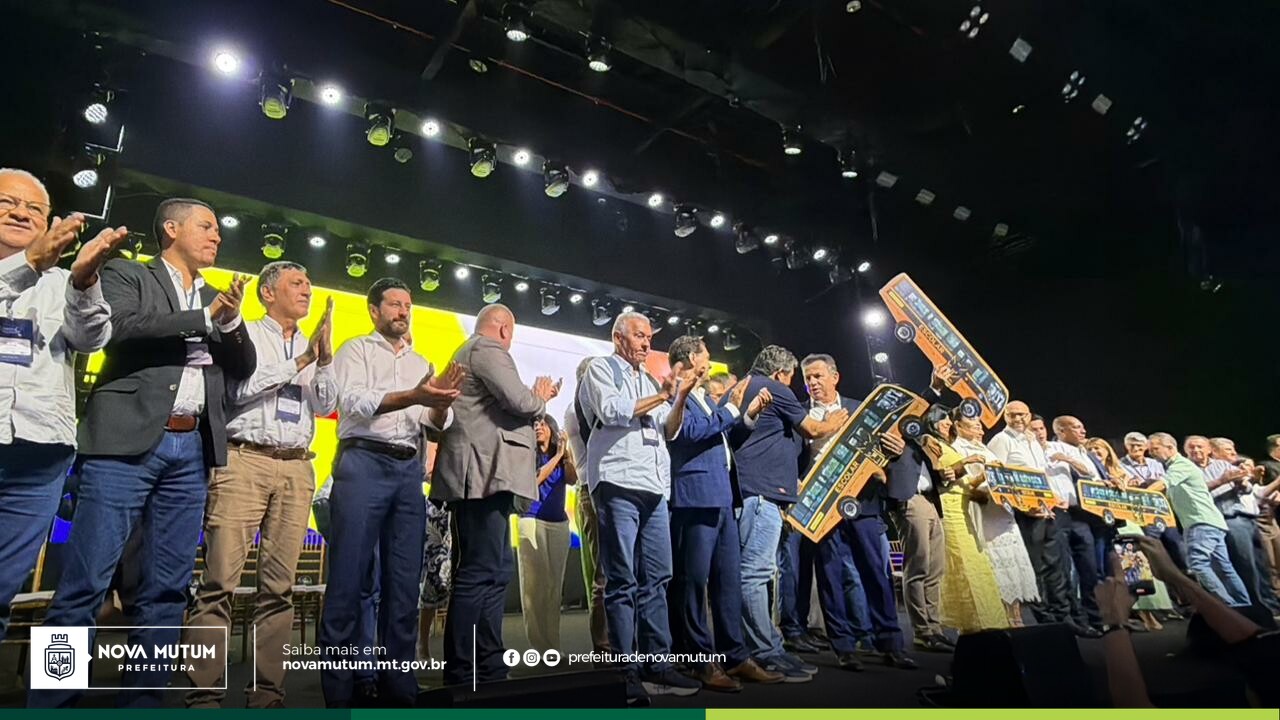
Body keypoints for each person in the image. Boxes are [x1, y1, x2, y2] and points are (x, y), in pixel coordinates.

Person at [30, 198, 256, 709]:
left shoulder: (216, 296)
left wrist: (228, 321)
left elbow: (243, 365)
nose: (216, 236)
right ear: (171, 229)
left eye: (217, 229)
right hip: (123, 445)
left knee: (167, 591)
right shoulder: (129, 274)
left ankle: (145, 703)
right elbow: (120, 327)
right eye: (206, 226)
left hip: (192, 451)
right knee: (84, 583)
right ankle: (49, 704)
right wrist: (203, 317)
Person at [184, 261, 337, 708]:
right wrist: (301, 361)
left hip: (296, 466)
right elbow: (238, 391)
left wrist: (324, 359)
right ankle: (203, 697)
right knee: (218, 583)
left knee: (279, 589)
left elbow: (326, 404)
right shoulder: (243, 332)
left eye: (309, 283)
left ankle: (267, 695)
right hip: (244, 460)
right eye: (297, 283)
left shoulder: (312, 344)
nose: (307, 290)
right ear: (268, 293)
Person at [320, 277, 464, 707]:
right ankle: (339, 693)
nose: (403, 311)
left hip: (407, 472)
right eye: (395, 304)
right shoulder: (355, 350)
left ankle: (399, 689)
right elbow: (354, 402)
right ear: (374, 310)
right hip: (363, 463)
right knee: (348, 583)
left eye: (408, 305)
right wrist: (415, 395)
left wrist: (439, 402)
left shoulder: (421, 362)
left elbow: (434, 423)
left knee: (403, 588)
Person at [0, 168, 125, 643]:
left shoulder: (61, 282)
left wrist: (85, 281)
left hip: (39, 456)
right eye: (8, 203)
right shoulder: (32, 267)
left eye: (34, 208)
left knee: (2, 590)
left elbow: (92, 339)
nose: (21, 213)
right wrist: (28, 263)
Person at [577, 311, 701, 703]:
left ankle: (657, 663)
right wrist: (664, 395)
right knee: (621, 580)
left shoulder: (649, 379)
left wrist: (679, 397)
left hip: (654, 487)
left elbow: (669, 430)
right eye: (639, 336)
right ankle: (624, 671)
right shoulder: (601, 368)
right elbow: (612, 411)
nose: (647, 343)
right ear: (618, 338)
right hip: (618, 480)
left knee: (659, 577)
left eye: (649, 337)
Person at [431, 303, 557, 686]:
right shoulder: (487, 349)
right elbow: (520, 402)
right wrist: (541, 396)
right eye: (512, 333)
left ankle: (488, 666)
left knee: (495, 571)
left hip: (489, 477)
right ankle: (462, 671)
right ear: (503, 329)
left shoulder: (473, 350)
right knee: (478, 572)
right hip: (482, 477)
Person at [727, 345, 854, 679]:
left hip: (748, 493)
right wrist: (836, 421)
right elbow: (813, 429)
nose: (794, 385)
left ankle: (768, 646)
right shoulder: (773, 387)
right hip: (763, 493)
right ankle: (765, 652)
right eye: (793, 377)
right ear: (781, 373)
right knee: (755, 574)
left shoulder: (738, 388)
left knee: (755, 572)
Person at [664, 335, 781, 690]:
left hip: (723, 498)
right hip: (695, 498)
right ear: (691, 357)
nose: (710, 360)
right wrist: (730, 408)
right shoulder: (676, 392)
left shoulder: (702, 395)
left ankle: (735, 655)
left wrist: (747, 414)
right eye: (706, 355)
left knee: (727, 582)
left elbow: (720, 436)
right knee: (693, 583)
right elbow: (688, 432)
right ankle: (698, 659)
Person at [785, 353, 878, 669]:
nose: (812, 383)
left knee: (871, 571)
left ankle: (883, 639)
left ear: (835, 377)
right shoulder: (799, 414)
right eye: (807, 378)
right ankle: (842, 645)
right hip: (818, 507)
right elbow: (793, 456)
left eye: (818, 376)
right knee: (827, 575)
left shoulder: (858, 408)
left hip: (861, 503)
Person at [883, 368, 959, 651]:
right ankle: (922, 631)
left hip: (930, 500)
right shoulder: (890, 429)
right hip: (910, 500)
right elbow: (918, 407)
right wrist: (934, 387)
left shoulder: (921, 437)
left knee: (935, 569)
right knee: (918, 566)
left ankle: (935, 627)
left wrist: (944, 474)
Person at [915, 405, 1007, 634]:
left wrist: (985, 475)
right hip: (948, 507)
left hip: (964, 506)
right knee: (962, 563)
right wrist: (967, 461)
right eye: (944, 420)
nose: (948, 424)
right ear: (933, 422)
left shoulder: (949, 445)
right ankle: (972, 622)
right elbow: (939, 473)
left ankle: (987, 620)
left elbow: (964, 484)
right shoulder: (929, 440)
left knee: (976, 564)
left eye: (949, 420)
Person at [988, 401, 1077, 631]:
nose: (1019, 419)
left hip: (1047, 510)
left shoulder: (1032, 441)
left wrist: (1054, 499)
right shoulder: (1001, 440)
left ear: (1029, 416)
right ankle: (1045, 619)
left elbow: (1042, 474)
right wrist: (1022, 507)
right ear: (1005, 416)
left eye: (1023, 414)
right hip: (1025, 513)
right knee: (1036, 568)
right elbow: (996, 477)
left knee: (1055, 567)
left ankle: (1062, 617)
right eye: (1013, 415)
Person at [952, 410, 1039, 627]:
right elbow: (962, 486)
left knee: (1013, 563)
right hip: (983, 513)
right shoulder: (957, 449)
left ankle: (1016, 617)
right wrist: (985, 481)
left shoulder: (985, 449)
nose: (979, 428)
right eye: (972, 424)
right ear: (958, 426)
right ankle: (1001, 619)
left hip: (1003, 512)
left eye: (979, 424)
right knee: (995, 564)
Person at [1144, 433, 1250, 606]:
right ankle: (1244, 606)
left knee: (1198, 564)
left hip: (1200, 523)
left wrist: (1139, 496)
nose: (1151, 453)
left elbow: (1163, 484)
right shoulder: (1178, 467)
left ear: (1170, 447)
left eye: (1155, 449)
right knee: (1224, 568)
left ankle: (1228, 606)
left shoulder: (1180, 465)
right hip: (1210, 522)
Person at [1085, 438, 1173, 631]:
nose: (1095, 452)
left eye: (1098, 448)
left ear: (1107, 450)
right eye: (1090, 449)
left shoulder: (1121, 471)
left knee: (1137, 569)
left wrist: (1129, 485)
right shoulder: (1090, 473)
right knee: (1115, 572)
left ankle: (1147, 612)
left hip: (1128, 523)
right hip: (1105, 524)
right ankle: (1124, 614)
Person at [517, 414, 575, 652]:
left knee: (553, 587)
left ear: (551, 428)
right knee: (534, 587)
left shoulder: (560, 455)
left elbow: (572, 479)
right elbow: (535, 479)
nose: (538, 427)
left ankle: (553, 644)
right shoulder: (528, 453)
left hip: (558, 523)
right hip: (531, 520)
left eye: (542, 424)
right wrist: (558, 456)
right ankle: (538, 645)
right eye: (534, 424)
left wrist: (566, 453)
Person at [564, 356, 609, 654]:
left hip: (593, 490)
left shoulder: (576, 406)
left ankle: (613, 641)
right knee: (602, 574)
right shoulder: (580, 408)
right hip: (593, 490)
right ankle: (603, 645)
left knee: (607, 572)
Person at [1045, 416, 1105, 632]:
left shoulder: (1084, 452)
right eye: (1076, 427)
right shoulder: (1050, 447)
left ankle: (1095, 618)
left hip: (1082, 514)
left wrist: (1109, 481)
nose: (1083, 431)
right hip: (1058, 512)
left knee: (1090, 567)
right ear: (1061, 431)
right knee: (1064, 569)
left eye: (1082, 427)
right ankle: (1074, 618)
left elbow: (1091, 475)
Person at [1207, 437, 1280, 614]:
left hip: (1252, 520)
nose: (1233, 452)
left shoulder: (1237, 471)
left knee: (1262, 565)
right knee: (1247, 566)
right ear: (1214, 452)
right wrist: (1227, 480)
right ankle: (1254, 607)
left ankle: (1270, 605)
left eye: (1233, 448)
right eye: (1228, 449)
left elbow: (1256, 493)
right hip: (1234, 520)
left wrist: (1251, 480)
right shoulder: (1212, 471)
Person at [1121, 432, 1187, 576]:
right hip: (1141, 512)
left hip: (1163, 509)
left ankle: (1187, 575)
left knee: (1175, 543)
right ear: (1126, 446)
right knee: (1152, 546)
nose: (1136, 448)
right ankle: (1161, 579)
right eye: (1132, 445)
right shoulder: (1120, 465)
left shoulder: (1157, 463)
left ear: (1146, 447)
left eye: (1139, 445)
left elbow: (1166, 483)